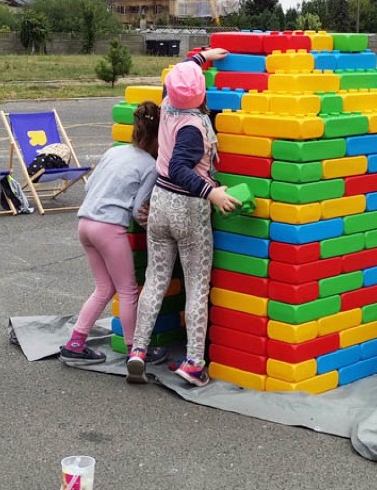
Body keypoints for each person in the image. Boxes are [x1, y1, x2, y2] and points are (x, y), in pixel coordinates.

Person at [127, 49, 241, 386]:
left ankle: (138, 350)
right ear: (202, 94)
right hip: (189, 208)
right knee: (196, 287)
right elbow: (179, 168)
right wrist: (212, 192)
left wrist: (204, 55)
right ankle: (194, 362)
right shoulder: (193, 125)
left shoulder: (167, 100)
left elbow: (185, 68)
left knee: (156, 278)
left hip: (160, 203)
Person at [59, 101, 167, 366]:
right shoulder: (150, 166)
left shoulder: (114, 152)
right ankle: (135, 351)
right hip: (109, 229)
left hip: (85, 223)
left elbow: (89, 188)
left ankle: (75, 343)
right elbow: (137, 208)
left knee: (104, 287)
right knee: (128, 291)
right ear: (157, 139)